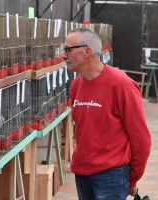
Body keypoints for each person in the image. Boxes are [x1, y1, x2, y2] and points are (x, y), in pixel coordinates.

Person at [62, 27, 151, 200]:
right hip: (83, 172)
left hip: (111, 174)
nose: (63, 56)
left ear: (87, 51)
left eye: (68, 50)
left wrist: (132, 180)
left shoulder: (121, 85)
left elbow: (141, 139)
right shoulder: (76, 86)